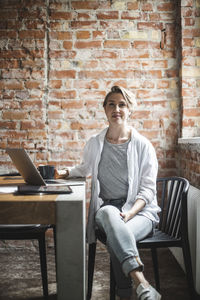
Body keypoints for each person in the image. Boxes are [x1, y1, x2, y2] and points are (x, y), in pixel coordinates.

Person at [55, 86, 161, 300]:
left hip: (141, 212)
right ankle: (143, 285)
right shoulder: (95, 143)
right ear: (104, 109)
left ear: (130, 109)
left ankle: (126, 294)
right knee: (111, 218)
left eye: (122, 104)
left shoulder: (143, 146)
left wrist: (130, 213)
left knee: (118, 235)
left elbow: (148, 190)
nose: (117, 109)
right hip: (109, 209)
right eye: (111, 104)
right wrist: (65, 172)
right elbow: (85, 168)